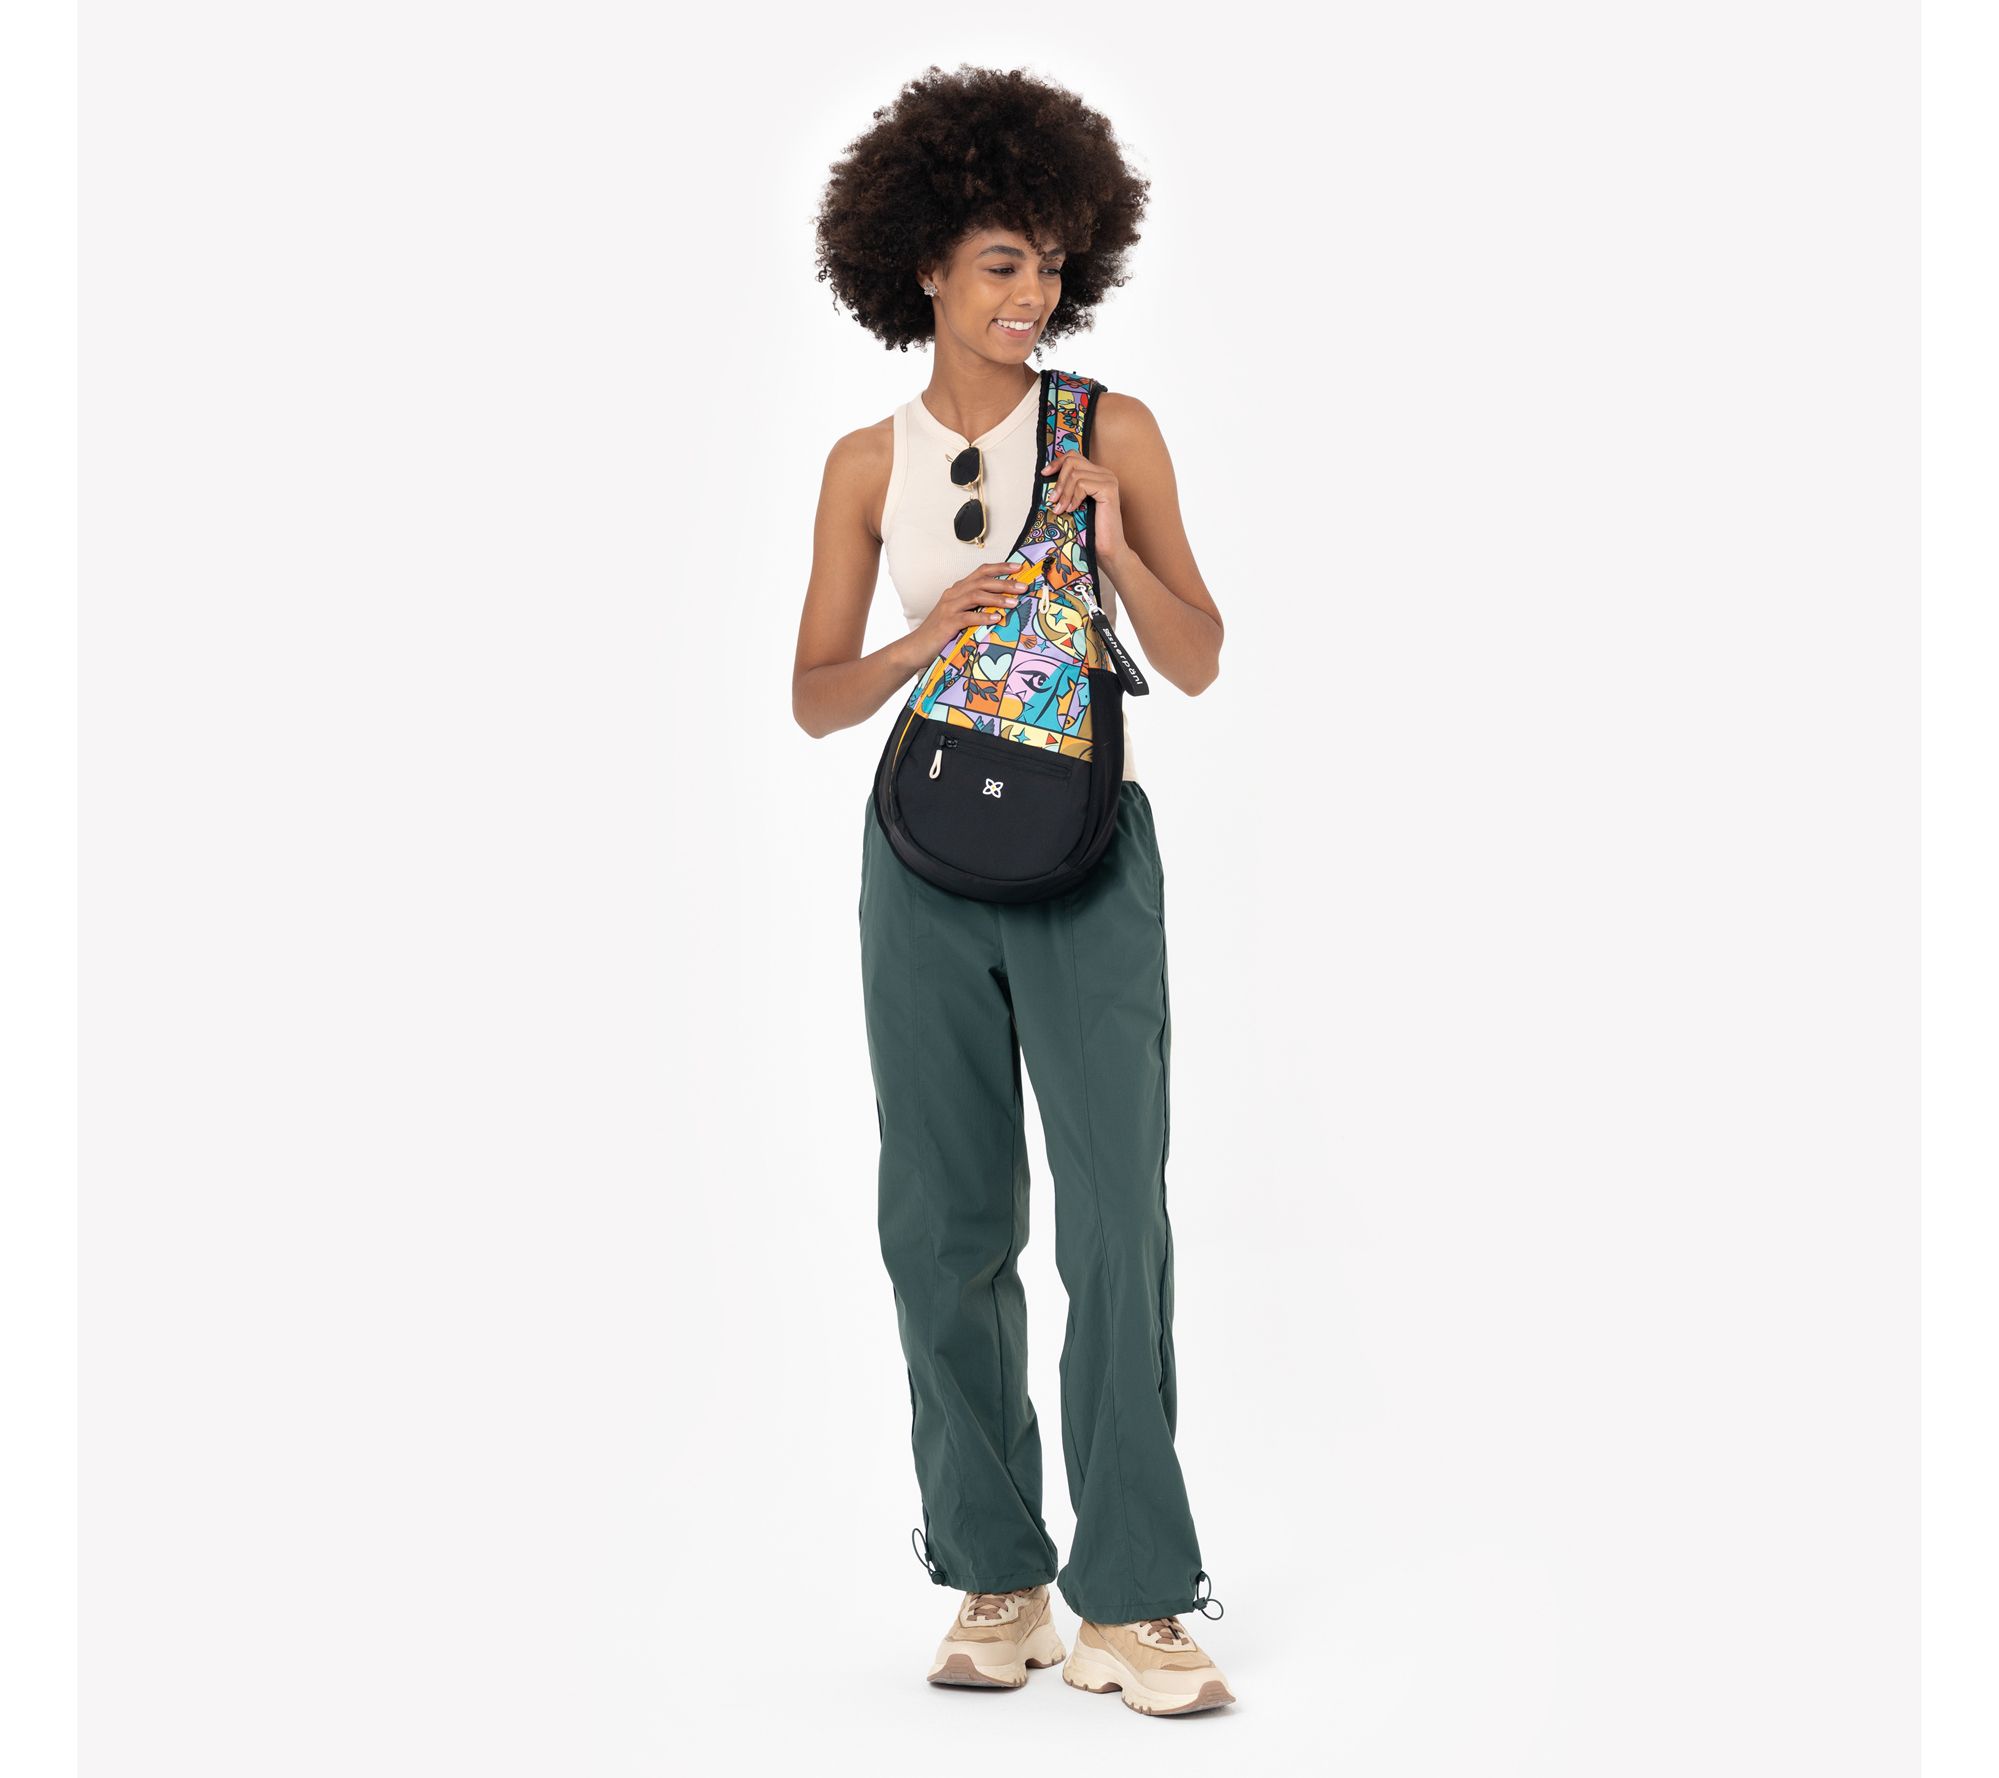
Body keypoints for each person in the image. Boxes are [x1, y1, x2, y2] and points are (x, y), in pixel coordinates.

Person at [792, 64, 1233, 1717]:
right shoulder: (864, 463)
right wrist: (926, 633)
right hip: (920, 857)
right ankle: (998, 1572)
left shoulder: (1112, 430)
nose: (1030, 292)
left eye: (1050, 262)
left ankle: (1136, 1595)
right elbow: (815, 696)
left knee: (1118, 1220)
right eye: (999, 262)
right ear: (922, 264)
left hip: (1088, 848)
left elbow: (1199, 655)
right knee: (942, 1219)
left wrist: (1110, 548)